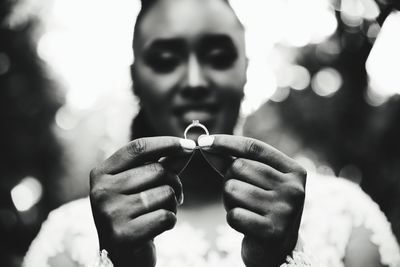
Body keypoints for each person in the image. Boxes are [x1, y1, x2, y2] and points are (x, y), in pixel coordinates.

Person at [23, 0, 400, 266]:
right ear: (136, 77)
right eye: (166, 61)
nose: (194, 82)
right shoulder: (68, 235)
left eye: (219, 57)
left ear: (246, 70)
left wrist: (287, 256)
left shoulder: (345, 214)